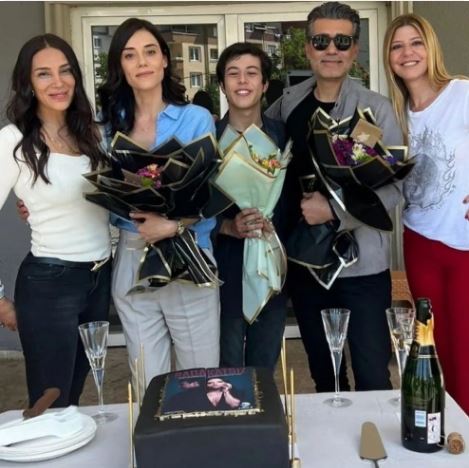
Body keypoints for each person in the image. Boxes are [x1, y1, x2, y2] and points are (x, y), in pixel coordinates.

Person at [266, 1, 403, 392]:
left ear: (354, 49)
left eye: (341, 41)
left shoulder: (375, 110)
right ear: (307, 48)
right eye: (321, 40)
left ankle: (371, 432)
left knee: (372, 374)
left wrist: (334, 211)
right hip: (306, 264)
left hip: (362, 267)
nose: (331, 49)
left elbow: (394, 186)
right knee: (325, 376)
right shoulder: (287, 105)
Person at [98, 18, 220, 391]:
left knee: (199, 379)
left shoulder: (195, 118)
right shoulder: (107, 128)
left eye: (150, 52)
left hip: (186, 251)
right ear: (120, 65)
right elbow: (100, 193)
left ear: (165, 59)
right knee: (147, 381)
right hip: (132, 253)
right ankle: (152, 432)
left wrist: (172, 225)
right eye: (130, 55)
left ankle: (198, 432)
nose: (142, 62)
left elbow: (209, 193)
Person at [0, 34, 112, 408]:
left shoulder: (92, 134)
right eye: (44, 74)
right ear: (27, 83)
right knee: (52, 403)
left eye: (65, 71)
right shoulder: (13, 141)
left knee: (74, 398)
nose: (58, 82)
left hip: (99, 278)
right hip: (50, 284)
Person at [384, 14, 469, 414]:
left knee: (465, 351)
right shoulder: (394, 115)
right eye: (397, 46)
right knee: (434, 350)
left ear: (431, 46)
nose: (408, 53)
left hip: (463, 245)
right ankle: (445, 433)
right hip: (419, 242)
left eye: (415, 42)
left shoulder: (461, 94)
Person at [214, 42, 288, 371]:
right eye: (233, 74)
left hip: (270, 271)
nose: (242, 81)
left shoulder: (283, 137)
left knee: (263, 372)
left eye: (251, 73)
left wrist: (275, 223)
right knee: (226, 371)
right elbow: (190, 208)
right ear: (222, 85)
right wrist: (227, 226)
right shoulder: (207, 139)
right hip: (223, 272)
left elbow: (295, 203)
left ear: (265, 84)